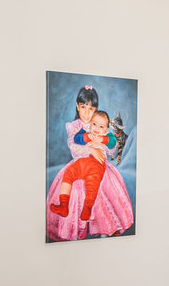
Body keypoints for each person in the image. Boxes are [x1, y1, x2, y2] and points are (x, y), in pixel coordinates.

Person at [45, 85, 135, 241]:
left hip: (99, 166)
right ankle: (65, 208)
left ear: (96, 110)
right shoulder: (75, 127)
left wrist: (103, 141)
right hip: (80, 163)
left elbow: (112, 149)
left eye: (91, 108)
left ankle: (102, 225)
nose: (87, 112)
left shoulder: (101, 125)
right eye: (83, 107)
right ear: (77, 106)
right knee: (72, 181)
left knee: (97, 187)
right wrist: (91, 149)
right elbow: (74, 145)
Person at [49, 110, 113, 223]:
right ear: (90, 124)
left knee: (93, 184)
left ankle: (87, 208)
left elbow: (113, 142)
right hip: (82, 162)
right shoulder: (86, 131)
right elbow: (76, 139)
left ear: (106, 129)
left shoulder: (107, 135)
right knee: (68, 173)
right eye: (94, 124)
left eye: (101, 126)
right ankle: (63, 205)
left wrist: (102, 139)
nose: (97, 128)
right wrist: (87, 136)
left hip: (97, 164)